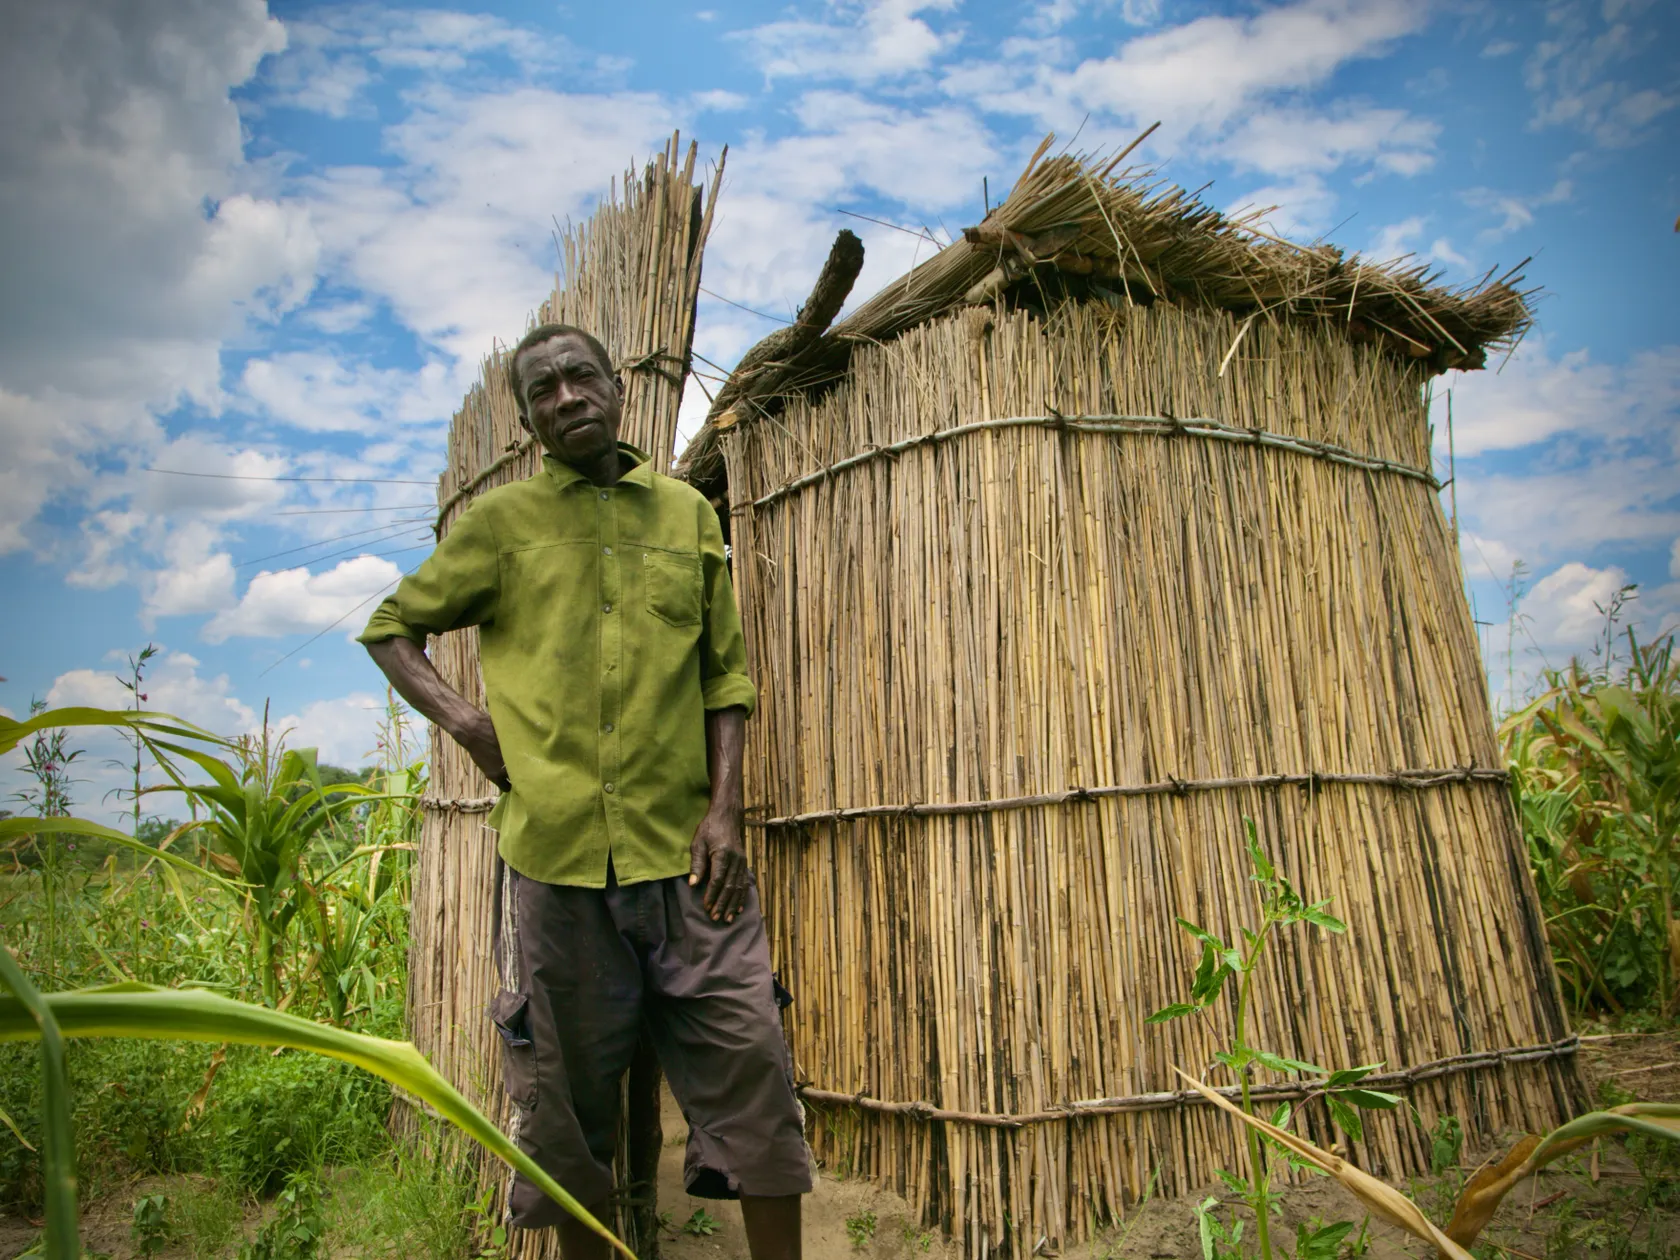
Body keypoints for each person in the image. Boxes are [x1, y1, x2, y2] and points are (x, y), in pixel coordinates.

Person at [359, 323, 810, 1260]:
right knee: (569, 1117)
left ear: (614, 387)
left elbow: (725, 679)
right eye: (543, 393)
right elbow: (392, 627)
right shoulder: (500, 529)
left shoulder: (687, 516)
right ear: (527, 422)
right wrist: (467, 722)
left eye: (578, 378)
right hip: (557, 869)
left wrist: (725, 811)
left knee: (755, 1081)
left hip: (692, 864)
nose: (565, 398)